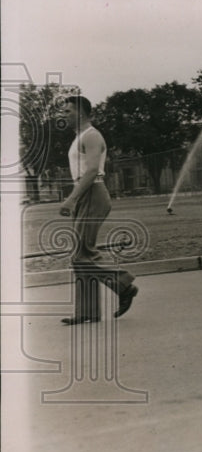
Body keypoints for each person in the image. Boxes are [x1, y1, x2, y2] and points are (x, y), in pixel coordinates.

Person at [57, 95, 138, 324]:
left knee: (82, 255)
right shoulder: (79, 137)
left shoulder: (92, 136)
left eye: (68, 111)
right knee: (80, 255)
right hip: (85, 194)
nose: (65, 115)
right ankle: (88, 312)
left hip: (92, 192)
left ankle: (124, 285)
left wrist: (71, 199)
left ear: (81, 113)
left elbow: (92, 170)